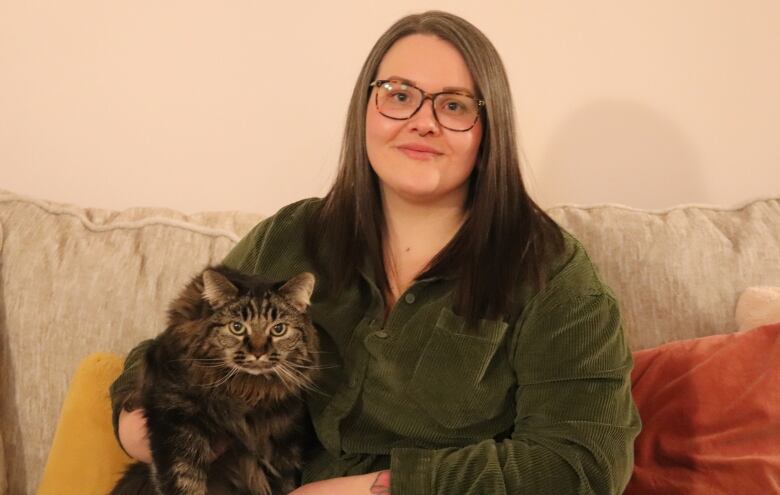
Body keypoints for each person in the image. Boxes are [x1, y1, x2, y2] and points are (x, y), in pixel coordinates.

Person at [112, 10, 641, 494]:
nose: (423, 121)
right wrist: (153, 432)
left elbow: (584, 464)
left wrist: (381, 488)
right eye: (398, 94)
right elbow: (164, 355)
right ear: (365, 108)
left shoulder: (555, 275)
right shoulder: (292, 236)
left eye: (454, 105)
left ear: (488, 129)